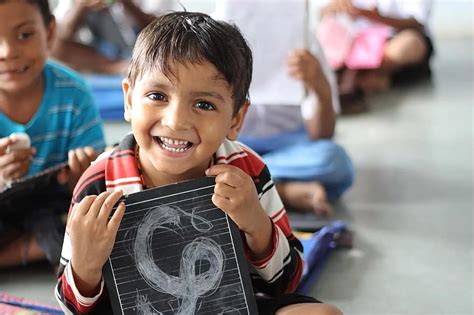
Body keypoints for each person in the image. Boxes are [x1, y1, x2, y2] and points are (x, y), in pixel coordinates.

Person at [55, 12, 342, 315]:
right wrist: (85, 268)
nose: (177, 121)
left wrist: (256, 224)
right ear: (129, 101)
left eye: (204, 104)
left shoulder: (247, 171)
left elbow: (287, 282)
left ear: (236, 119)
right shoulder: (99, 184)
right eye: (157, 95)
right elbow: (70, 305)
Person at [214, 0, 354, 217]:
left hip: (291, 146)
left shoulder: (306, 44)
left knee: (333, 159)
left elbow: (322, 134)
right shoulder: (213, 42)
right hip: (232, 145)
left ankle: (253, 181)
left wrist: (320, 87)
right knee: (197, 159)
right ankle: (282, 190)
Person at [0, 0, 106, 268]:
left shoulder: (74, 94)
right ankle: (26, 249)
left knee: (88, 230)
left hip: (51, 208)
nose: (8, 51)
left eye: (25, 35)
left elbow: (99, 182)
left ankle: (21, 249)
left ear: (49, 33)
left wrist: (79, 179)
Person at [320, 0, 434, 96]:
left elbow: (418, 23)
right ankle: (365, 79)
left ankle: (356, 78)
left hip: (392, 42)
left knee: (410, 43)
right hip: (357, 43)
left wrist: (376, 17)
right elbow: (323, 14)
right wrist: (334, 8)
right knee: (326, 32)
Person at [51, 0, 179, 74]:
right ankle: (119, 67)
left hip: (146, 48)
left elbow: (163, 30)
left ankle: (132, 64)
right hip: (102, 53)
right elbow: (62, 34)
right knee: (53, 46)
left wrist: (126, 3)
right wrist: (81, 6)